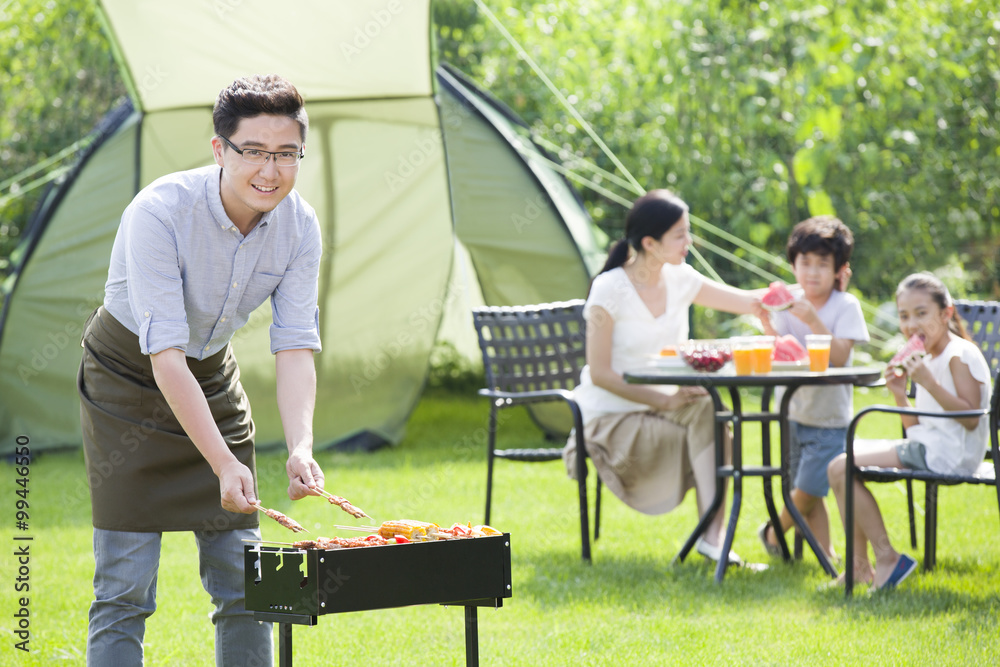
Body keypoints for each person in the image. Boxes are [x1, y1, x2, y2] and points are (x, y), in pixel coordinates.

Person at [79, 74, 326, 665]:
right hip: (128, 380)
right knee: (125, 590)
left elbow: (294, 344)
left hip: (211, 377)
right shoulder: (159, 212)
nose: (271, 171)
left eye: (286, 154)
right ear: (220, 150)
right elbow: (164, 356)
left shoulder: (300, 225)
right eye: (255, 152)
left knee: (247, 582)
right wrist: (221, 463)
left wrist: (301, 446)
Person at [562, 189, 765, 565]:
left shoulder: (680, 278)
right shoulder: (609, 290)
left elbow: (747, 300)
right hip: (611, 415)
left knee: (714, 413)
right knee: (708, 418)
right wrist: (665, 401)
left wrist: (807, 290)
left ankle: (712, 538)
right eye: (681, 235)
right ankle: (711, 536)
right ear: (650, 243)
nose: (690, 242)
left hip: (667, 403)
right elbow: (602, 374)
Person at [827, 272, 991, 590]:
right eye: (904, 316)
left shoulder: (959, 355)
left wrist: (927, 382)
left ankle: (886, 558)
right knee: (840, 466)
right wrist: (900, 394)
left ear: (946, 313)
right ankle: (860, 564)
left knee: (839, 466)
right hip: (929, 447)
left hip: (950, 456)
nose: (911, 325)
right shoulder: (929, 357)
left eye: (921, 313)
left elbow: (971, 418)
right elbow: (918, 429)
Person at [757, 216, 869, 562]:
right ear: (793, 265)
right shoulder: (787, 302)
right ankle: (826, 554)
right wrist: (766, 324)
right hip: (791, 411)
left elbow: (839, 356)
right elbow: (780, 352)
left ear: (840, 269)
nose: (813, 272)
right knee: (808, 491)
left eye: (823, 264)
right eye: (805, 262)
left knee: (807, 489)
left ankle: (772, 532)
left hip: (830, 415)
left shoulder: (845, 306)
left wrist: (812, 321)